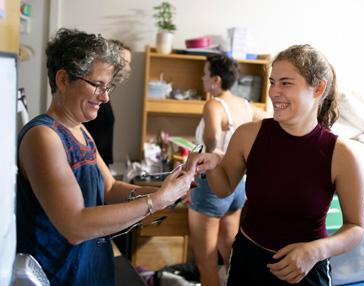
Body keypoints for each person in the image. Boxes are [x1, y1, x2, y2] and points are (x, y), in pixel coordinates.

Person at [16, 28, 194, 286]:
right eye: (97, 85)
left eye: (108, 87)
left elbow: (110, 187)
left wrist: (169, 192)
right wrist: (156, 200)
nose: (105, 96)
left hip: (91, 272)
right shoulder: (43, 137)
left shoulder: (79, 129)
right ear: (63, 79)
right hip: (62, 277)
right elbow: (75, 225)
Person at [186, 44, 364, 285]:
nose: (273, 92)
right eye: (272, 82)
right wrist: (211, 165)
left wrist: (315, 251)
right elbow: (224, 187)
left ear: (318, 89)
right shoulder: (248, 135)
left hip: (304, 271)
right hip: (247, 263)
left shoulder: (342, 155)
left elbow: (356, 228)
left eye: (286, 83)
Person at [188, 54, 268, 286]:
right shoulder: (245, 105)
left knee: (207, 262)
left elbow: (212, 137)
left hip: (212, 184)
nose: (202, 78)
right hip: (238, 185)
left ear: (215, 80)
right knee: (231, 252)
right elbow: (269, 124)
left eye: (205, 73)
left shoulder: (214, 104)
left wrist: (210, 154)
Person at [83, 39, 132, 166]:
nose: (128, 68)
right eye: (125, 62)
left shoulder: (104, 95)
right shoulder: (92, 98)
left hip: (100, 165)